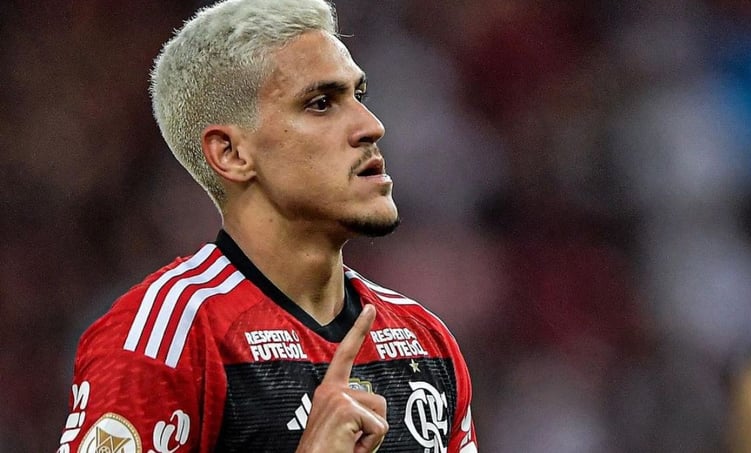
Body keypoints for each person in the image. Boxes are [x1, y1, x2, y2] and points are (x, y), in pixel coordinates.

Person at [55, 0, 477, 452]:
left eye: (360, 96)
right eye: (321, 104)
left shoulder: (425, 340)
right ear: (231, 154)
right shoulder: (167, 336)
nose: (371, 126)